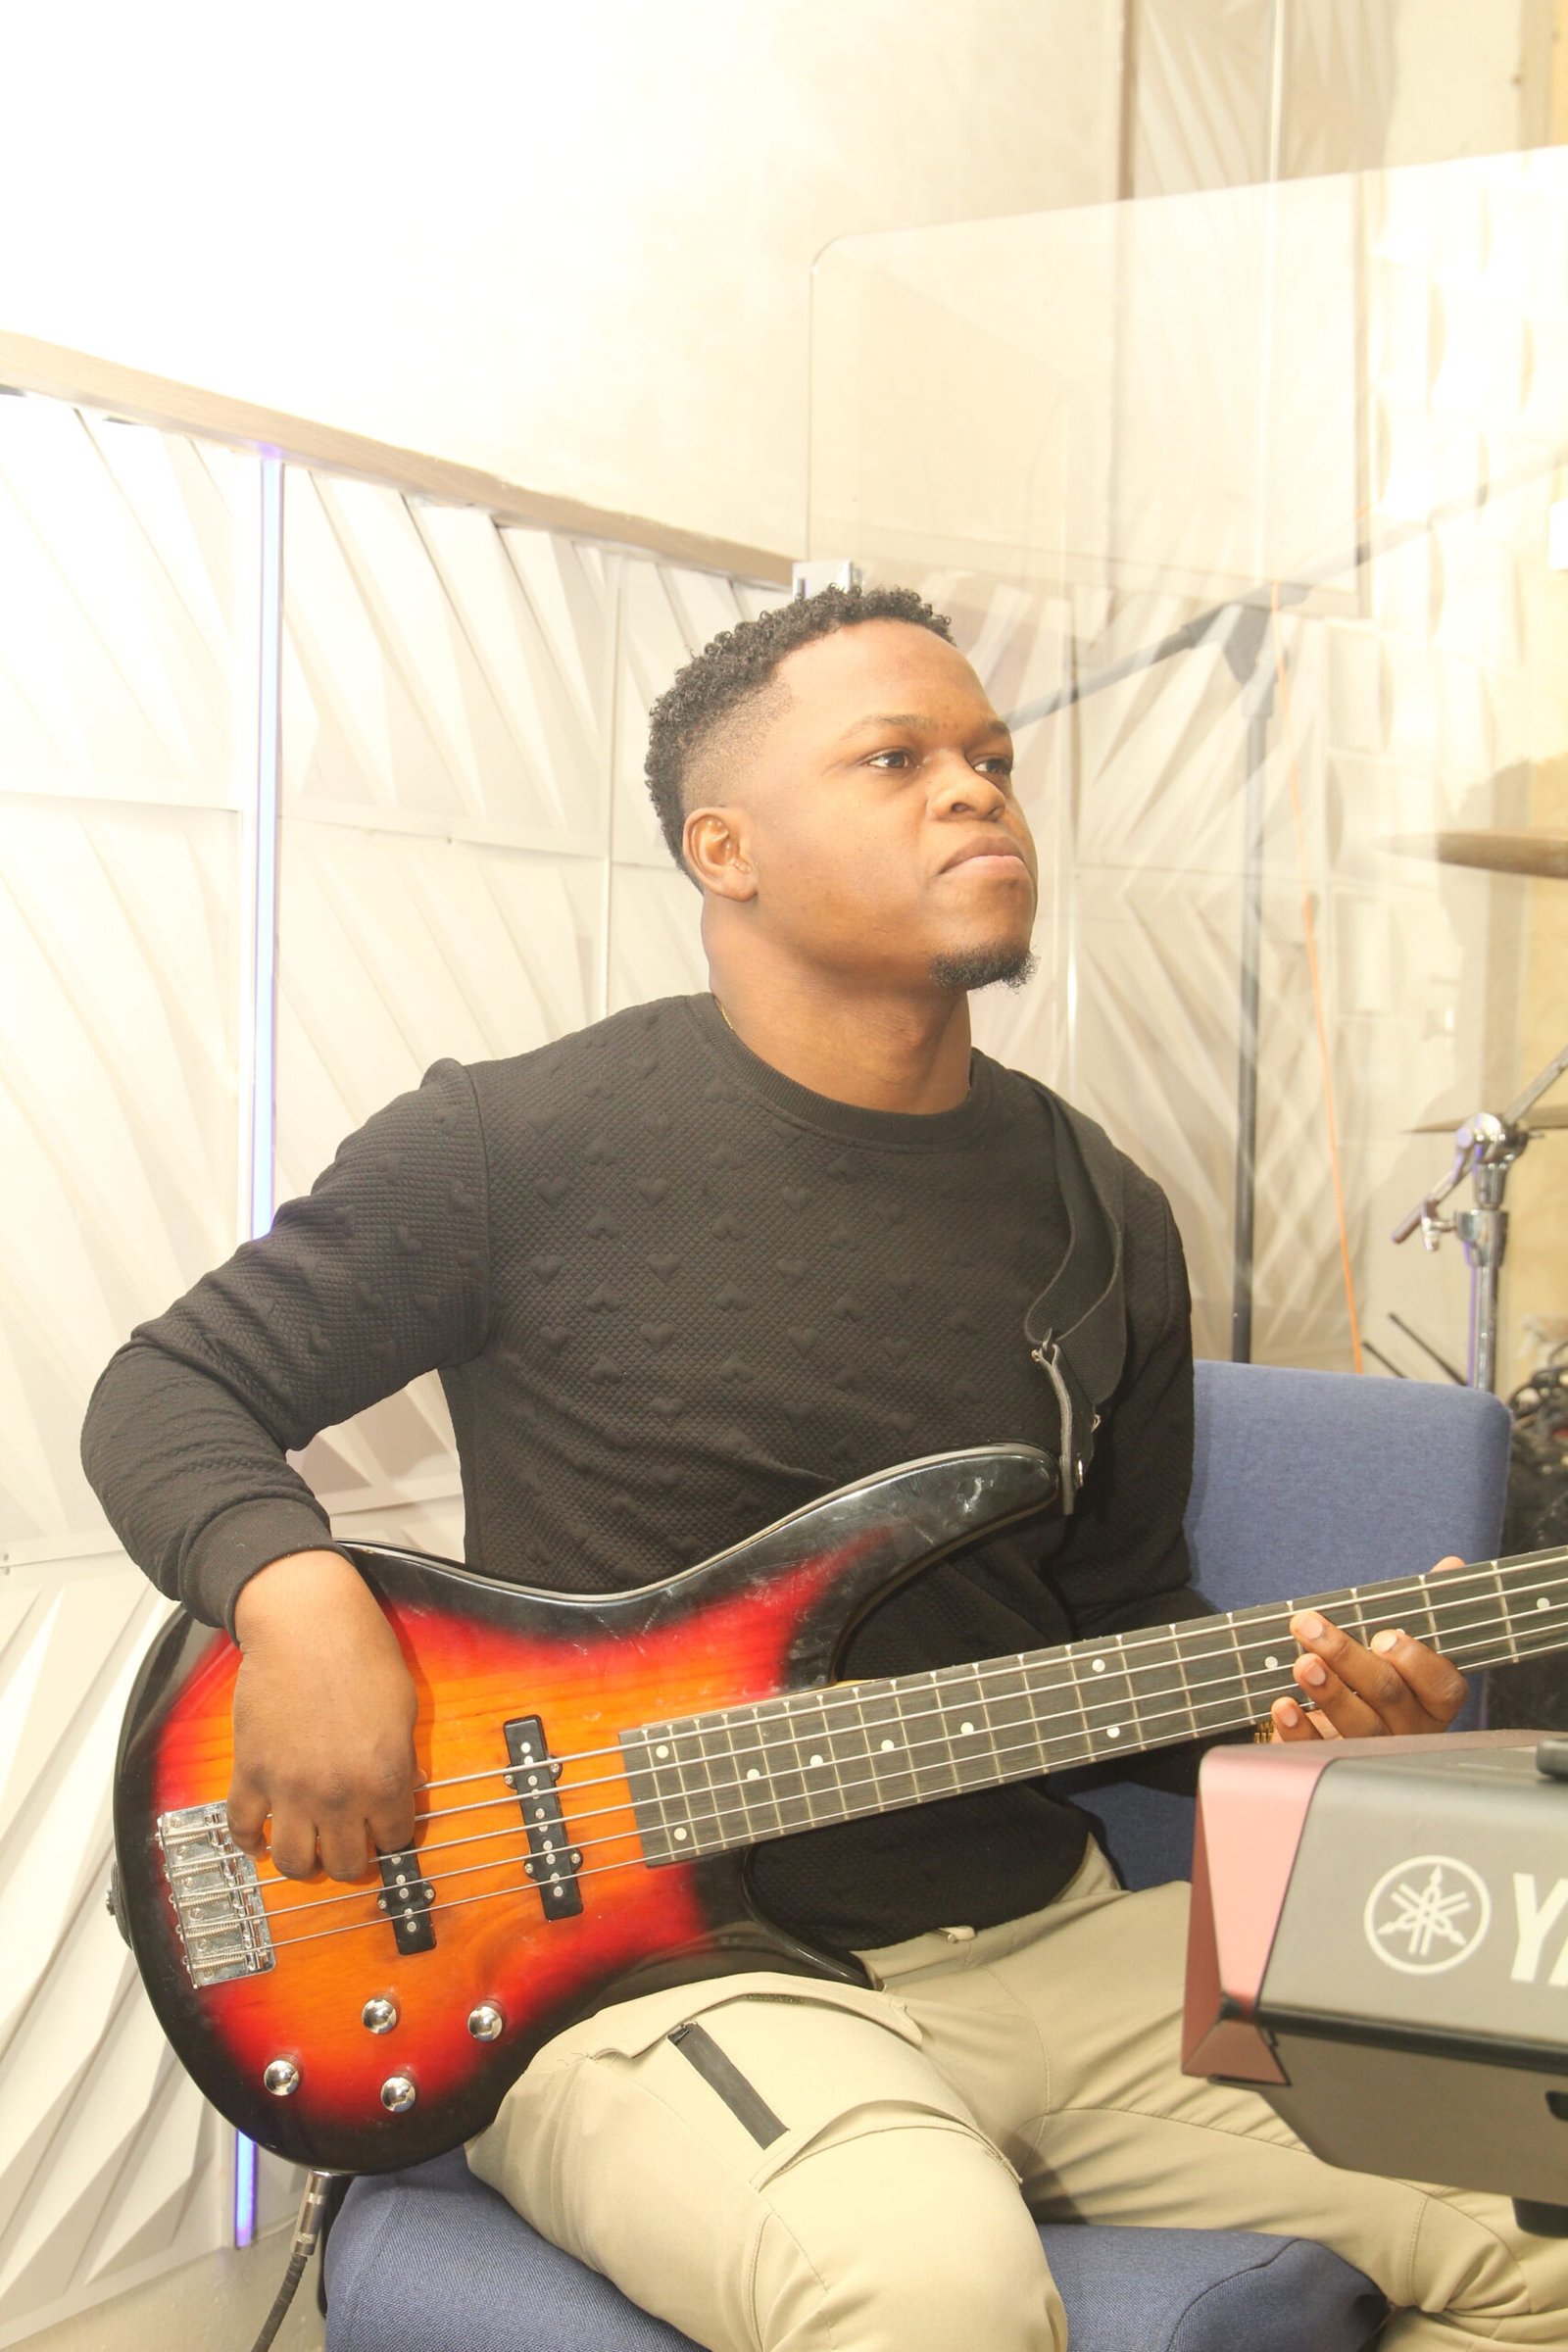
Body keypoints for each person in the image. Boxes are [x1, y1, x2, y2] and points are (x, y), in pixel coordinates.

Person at [83, 585, 1564, 2351]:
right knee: (927, 2295)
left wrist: (1303, 1725)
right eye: (896, 758)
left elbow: (1115, 1618)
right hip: (647, 1979)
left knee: (1537, 2216)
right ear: (725, 849)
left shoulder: (1106, 1210)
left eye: (991, 757)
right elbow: (166, 1386)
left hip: (1051, 1936)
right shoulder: (513, 1144)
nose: (977, 790)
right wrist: (295, 1593)